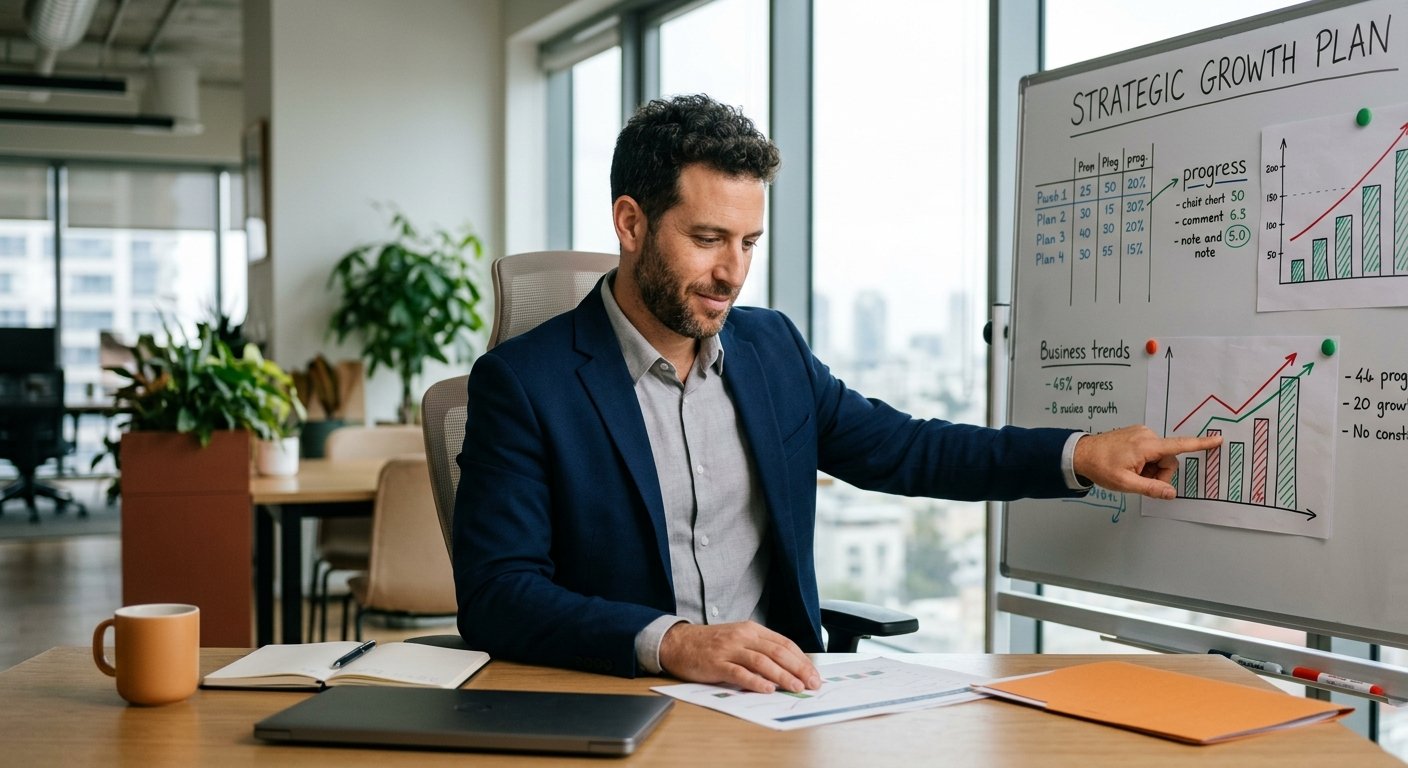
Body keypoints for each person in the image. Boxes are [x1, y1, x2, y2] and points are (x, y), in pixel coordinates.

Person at [453, 93, 1219, 695]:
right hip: (621, 701)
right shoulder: (524, 384)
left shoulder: (771, 351)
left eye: (748, 243)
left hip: (781, 705)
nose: (732, 273)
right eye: (708, 239)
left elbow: (907, 449)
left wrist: (1079, 454)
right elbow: (499, 594)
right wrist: (674, 643)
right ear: (631, 223)